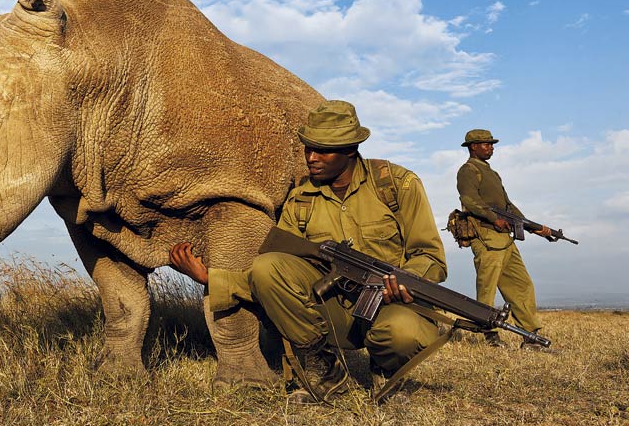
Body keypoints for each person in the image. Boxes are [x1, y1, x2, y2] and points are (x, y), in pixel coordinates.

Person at [170, 100, 446, 402]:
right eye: (308, 148)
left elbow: (431, 258)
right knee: (267, 266)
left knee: (403, 332)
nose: (311, 158)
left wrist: (405, 280)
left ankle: (385, 370)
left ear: (350, 150)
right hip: (334, 312)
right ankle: (324, 371)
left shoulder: (397, 186)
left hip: (391, 306)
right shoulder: (301, 200)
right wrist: (209, 277)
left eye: (323, 150)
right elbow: (268, 276)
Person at [456, 129, 550, 350]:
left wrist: (532, 226)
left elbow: (508, 206)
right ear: (473, 146)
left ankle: (530, 336)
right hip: (486, 236)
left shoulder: (493, 173)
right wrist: (493, 218)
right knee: (487, 288)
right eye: (486, 144)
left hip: (504, 239)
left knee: (521, 285)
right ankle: (489, 336)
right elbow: (469, 200)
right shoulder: (468, 170)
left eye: (491, 144)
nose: (491, 147)